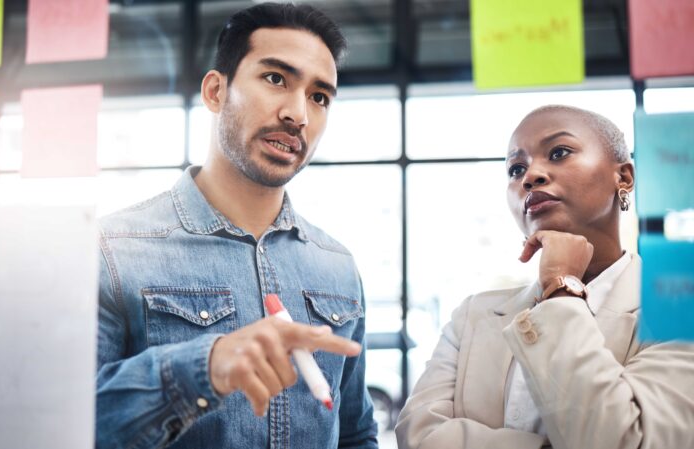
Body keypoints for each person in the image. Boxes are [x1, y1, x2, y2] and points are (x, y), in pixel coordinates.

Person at [95, 3, 378, 448]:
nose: (298, 114)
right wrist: (199, 369)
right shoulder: (112, 250)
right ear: (214, 92)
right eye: (275, 79)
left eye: (319, 97)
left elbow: (356, 434)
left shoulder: (337, 267)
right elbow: (70, 427)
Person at [396, 105, 694, 449]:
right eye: (516, 168)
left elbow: (623, 442)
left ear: (623, 177)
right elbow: (417, 437)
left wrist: (560, 285)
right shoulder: (472, 316)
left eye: (558, 153)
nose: (530, 176)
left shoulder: (678, 309)